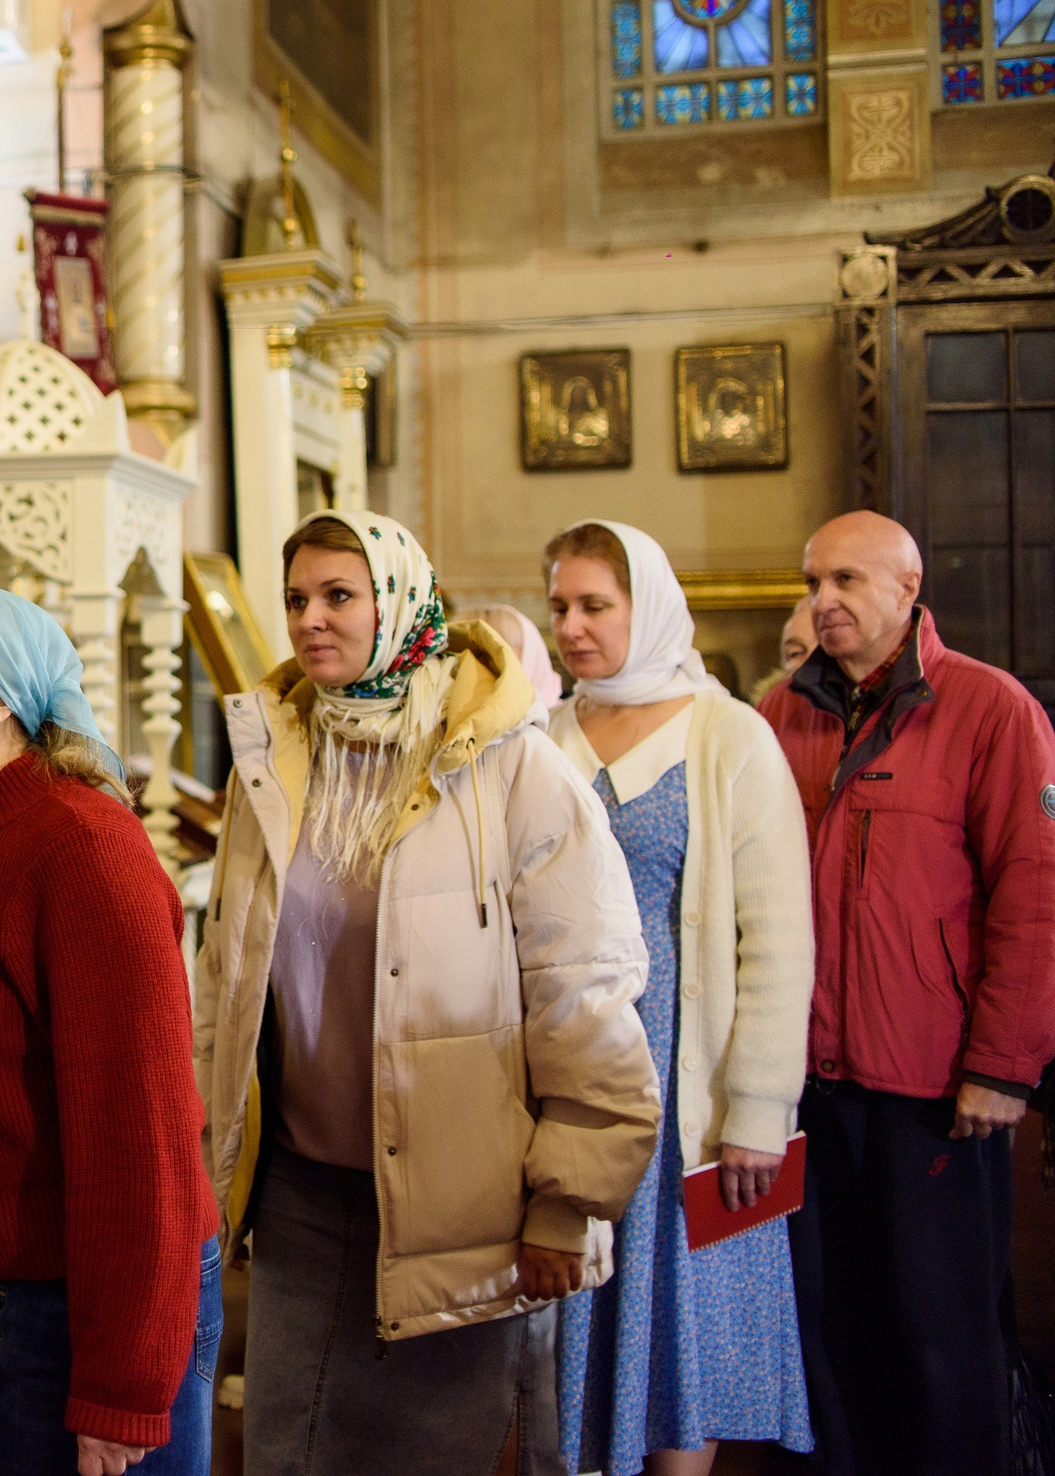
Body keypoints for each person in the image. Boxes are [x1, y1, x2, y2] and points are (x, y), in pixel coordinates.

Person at [193, 509, 658, 1476]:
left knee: (425, 1455)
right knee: (283, 1450)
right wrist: (208, 1145)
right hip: (302, 1190)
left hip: (456, 1193)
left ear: (400, 603)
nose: (311, 619)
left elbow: (587, 992)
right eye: (295, 599)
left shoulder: (509, 765)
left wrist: (567, 1199)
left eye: (338, 595)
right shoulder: (271, 765)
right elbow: (227, 978)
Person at [0, 587, 216, 1476]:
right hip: (14, 1293)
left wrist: (123, 1384)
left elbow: (141, 1139)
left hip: (104, 1304)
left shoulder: (83, 847)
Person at [754, 510, 1055, 1476]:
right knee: (827, 1334)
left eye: (846, 580)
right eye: (812, 582)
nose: (823, 600)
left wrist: (1003, 1069)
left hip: (934, 1089)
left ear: (906, 590)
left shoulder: (990, 709)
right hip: (804, 1083)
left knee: (942, 1339)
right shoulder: (776, 713)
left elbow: (1034, 896)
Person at [542, 520, 815, 1475]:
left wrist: (759, 1112)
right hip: (570, 1081)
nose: (573, 627)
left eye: (595, 606)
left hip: (687, 1094)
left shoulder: (727, 733)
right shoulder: (543, 735)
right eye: (561, 607)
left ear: (645, 605)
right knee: (570, 1347)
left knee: (681, 1347)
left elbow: (778, 940)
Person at [464, 603, 560, 711]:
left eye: (496, 650)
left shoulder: (561, 720)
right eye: (472, 653)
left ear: (529, 656)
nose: (482, 664)